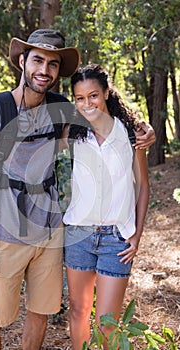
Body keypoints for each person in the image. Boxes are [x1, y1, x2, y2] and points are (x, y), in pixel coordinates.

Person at [0, 29, 154, 350]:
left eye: (53, 64)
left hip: (52, 236)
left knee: (40, 314)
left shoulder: (62, 107)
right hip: (6, 238)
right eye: (37, 60)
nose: (44, 70)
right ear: (22, 61)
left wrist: (144, 130)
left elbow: (102, 117)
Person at [63, 64, 150, 350]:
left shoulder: (131, 135)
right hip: (78, 235)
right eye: (80, 98)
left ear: (106, 93)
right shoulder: (73, 133)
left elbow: (142, 186)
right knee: (78, 312)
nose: (87, 103)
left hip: (116, 239)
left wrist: (136, 234)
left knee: (107, 323)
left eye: (93, 95)